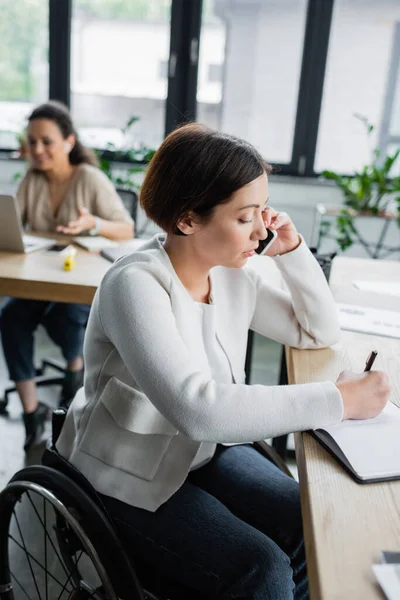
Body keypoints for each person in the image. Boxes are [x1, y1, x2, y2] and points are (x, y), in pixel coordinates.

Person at [56, 123, 390, 599]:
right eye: (245, 217)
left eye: (264, 213)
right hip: (124, 475)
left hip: (201, 455)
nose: (262, 230)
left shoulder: (232, 275)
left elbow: (317, 331)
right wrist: (338, 400)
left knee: (308, 523)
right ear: (189, 219)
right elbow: (199, 409)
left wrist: (292, 251)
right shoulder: (134, 284)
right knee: (263, 567)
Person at [0, 101, 134, 452]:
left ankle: (75, 368)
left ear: (69, 142)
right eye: (32, 141)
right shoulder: (32, 179)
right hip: (42, 276)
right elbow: (16, 228)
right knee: (11, 317)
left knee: (67, 318)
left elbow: (127, 228)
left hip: (79, 281)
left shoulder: (90, 178)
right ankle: (32, 414)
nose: (37, 149)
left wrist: (94, 223)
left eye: (46, 141)